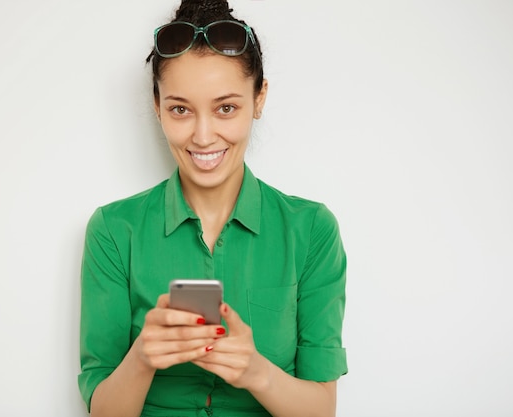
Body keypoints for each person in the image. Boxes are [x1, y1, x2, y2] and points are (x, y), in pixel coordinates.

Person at [78, 1, 347, 416]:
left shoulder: (312, 230)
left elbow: (322, 410)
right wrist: (143, 356)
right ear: (157, 107)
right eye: (180, 109)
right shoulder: (114, 231)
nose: (203, 137)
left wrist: (256, 371)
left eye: (226, 108)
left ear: (259, 99)